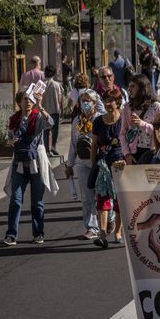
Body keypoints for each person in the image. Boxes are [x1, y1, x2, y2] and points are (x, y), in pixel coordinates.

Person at [2, 91, 57, 246]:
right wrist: (10, 140)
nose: (28, 102)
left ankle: (38, 233)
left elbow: (51, 123)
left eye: (31, 99)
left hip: (36, 163)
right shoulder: (14, 119)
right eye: (25, 99)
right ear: (19, 102)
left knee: (37, 202)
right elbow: (8, 138)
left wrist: (41, 107)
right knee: (16, 200)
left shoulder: (38, 116)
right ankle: (11, 235)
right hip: (19, 163)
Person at [65, 89, 104, 239]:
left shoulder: (100, 119)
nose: (85, 103)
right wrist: (69, 165)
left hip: (99, 161)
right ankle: (91, 227)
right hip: (82, 162)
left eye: (88, 101)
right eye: (83, 100)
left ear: (94, 103)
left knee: (102, 194)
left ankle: (110, 218)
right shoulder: (77, 120)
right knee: (87, 197)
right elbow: (73, 143)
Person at [91, 89, 126, 248]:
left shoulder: (124, 119)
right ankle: (103, 234)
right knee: (102, 198)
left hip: (120, 163)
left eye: (111, 100)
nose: (107, 104)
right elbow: (94, 145)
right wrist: (93, 165)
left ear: (118, 102)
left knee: (119, 199)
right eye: (105, 101)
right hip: (103, 163)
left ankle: (118, 232)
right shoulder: (98, 121)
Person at [120, 74, 160, 166]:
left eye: (132, 86)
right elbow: (122, 133)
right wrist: (127, 154)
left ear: (142, 88)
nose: (129, 89)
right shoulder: (127, 108)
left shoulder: (158, 107)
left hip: (153, 152)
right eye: (129, 86)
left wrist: (142, 124)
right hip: (134, 153)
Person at [41, 65, 63, 156]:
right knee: (55, 130)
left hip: (44, 111)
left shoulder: (41, 84)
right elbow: (60, 99)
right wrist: (61, 110)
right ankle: (53, 146)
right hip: (54, 110)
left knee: (46, 131)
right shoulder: (57, 85)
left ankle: (46, 150)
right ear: (54, 74)